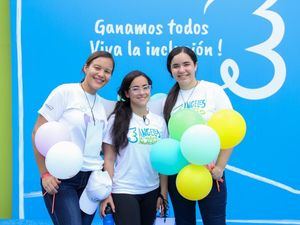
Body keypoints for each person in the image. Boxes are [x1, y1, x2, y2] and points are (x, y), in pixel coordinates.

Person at [32, 51, 115, 225]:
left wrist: (106, 190)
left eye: (107, 71)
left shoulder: (103, 106)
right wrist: (45, 174)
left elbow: (104, 151)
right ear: (86, 68)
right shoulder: (65, 92)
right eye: (97, 68)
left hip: (91, 180)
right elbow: (37, 132)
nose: (101, 74)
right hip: (62, 178)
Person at [163, 46, 234, 225]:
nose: (181, 70)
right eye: (175, 66)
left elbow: (229, 130)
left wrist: (220, 167)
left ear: (195, 65)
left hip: (210, 173)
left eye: (186, 64)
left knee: (215, 221)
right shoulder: (168, 100)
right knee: (184, 221)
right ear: (170, 70)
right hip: (180, 175)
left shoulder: (212, 90)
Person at [100, 70, 168, 225]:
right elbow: (109, 159)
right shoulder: (116, 120)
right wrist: (106, 193)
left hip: (152, 190)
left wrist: (163, 194)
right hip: (124, 190)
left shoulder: (159, 122)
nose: (142, 92)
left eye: (146, 87)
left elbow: (164, 161)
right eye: (135, 88)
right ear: (127, 93)